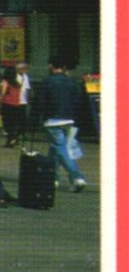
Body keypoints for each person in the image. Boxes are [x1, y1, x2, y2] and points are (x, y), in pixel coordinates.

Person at [32, 58, 94, 193]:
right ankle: (52, 177)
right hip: (70, 120)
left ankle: (77, 176)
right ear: (64, 66)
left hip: (53, 120)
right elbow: (79, 101)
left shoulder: (47, 81)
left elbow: (39, 102)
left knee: (60, 149)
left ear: (51, 66)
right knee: (55, 150)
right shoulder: (72, 81)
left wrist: (33, 120)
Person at [0, 65, 26, 147]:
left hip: (7, 104)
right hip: (16, 104)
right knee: (14, 123)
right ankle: (13, 138)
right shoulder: (18, 83)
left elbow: (2, 93)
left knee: (7, 123)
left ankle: (10, 139)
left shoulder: (5, 82)